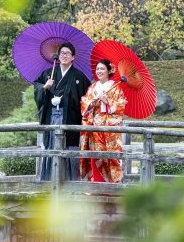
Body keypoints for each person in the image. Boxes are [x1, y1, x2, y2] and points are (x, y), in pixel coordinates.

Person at [33, 42, 90, 181]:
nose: (64, 56)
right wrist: (45, 87)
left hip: (70, 118)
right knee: (51, 146)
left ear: (73, 57)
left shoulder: (79, 76)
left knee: (70, 147)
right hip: (51, 117)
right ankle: (48, 180)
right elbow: (37, 85)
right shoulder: (49, 73)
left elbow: (87, 98)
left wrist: (67, 101)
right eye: (62, 53)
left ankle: (72, 182)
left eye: (67, 53)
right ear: (58, 56)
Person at [79, 59, 128, 182]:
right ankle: (95, 186)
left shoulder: (116, 88)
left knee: (110, 157)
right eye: (97, 69)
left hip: (110, 129)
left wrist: (107, 101)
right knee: (95, 156)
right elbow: (84, 104)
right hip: (94, 128)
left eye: (102, 69)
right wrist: (92, 102)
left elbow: (122, 104)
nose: (99, 71)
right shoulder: (92, 87)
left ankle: (111, 189)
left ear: (109, 71)